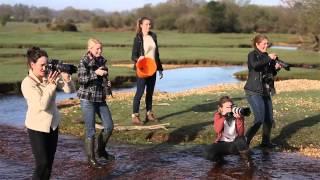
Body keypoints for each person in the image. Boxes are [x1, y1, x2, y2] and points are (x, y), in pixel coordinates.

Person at [21, 47, 75, 179]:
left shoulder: (49, 75)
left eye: (47, 64)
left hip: (52, 125)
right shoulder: (27, 83)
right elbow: (43, 105)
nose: (45, 68)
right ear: (32, 65)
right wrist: (51, 85)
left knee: (49, 164)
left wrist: (67, 79)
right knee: (42, 163)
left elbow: (70, 91)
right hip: (37, 127)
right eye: (42, 65)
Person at [77, 38, 115, 169]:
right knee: (90, 130)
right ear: (90, 49)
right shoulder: (84, 61)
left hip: (100, 98)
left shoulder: (102, 60)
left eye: (101, 48)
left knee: (109, 126)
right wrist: (95, 73)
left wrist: (107, 84)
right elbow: (81, 80)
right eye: (97, 48)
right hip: (87, 99)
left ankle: (101, 151)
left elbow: (103, 79)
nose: (99, 50)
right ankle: (91, 158)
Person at [244, 34, 282, 148]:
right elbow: (255, 66)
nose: (266, 45)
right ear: (257, 44)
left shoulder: (266, 55)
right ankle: (244, 142)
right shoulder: (252, 55)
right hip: (253, 91)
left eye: (267, 43)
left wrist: (276, 69)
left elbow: (269, 73)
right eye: (264, 43)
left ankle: (265, 142)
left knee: (269, 119)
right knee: (259, 119)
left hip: (265, 91)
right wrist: (269, 58)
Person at [131, 16, 164, 125]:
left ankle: (149, 114)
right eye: (146, 24)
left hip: (152, 68)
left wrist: (160, 68)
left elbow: (156, 53)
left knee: (150, 93)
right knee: (139, 93)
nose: (148, 26)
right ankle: (135, 116)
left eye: (149, 24)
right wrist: (138, 58)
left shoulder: (153, 36)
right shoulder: (138, 38)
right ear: (141, 25)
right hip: (142, 69)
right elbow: (133, 56)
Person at [205, 96, 249, 163]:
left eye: (231, 107)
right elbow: (217, 130)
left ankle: (247, 162)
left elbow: (241, 133)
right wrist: (224, 117)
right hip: (223, 143)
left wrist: (240, 119)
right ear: (221, 108)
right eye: (227, 107)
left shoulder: (237, 115)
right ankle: (221, 162)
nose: (229, 109)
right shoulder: (218, 115)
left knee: (241, 140)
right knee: (208, 153)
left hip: (235, 144)